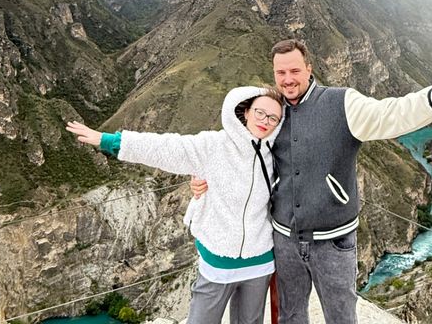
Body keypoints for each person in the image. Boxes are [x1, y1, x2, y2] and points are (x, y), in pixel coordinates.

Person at [192, 39, 432, 323]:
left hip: (334, 241)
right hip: (284, 240)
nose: (288, 79)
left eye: (295, 71)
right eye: (281, 72)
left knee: (341, 316)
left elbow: (390, 114)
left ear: (309, 68)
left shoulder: (342, 102)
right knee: (291, 315)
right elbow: (239, 151)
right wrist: (205, 177)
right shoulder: (272, 112)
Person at [66, 86, 284, 324]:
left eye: (273, 118)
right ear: (246, 112)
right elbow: (166, 148)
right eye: (260, 112)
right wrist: (109, 141)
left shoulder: (277, 154)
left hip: (259, 262)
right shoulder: (214, 146)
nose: (265, 121)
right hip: (218, 263)